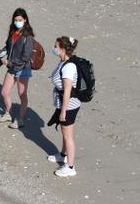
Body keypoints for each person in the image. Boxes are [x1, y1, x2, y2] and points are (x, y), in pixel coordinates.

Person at [0, 8, 34, 129]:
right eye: (15, 20)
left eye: (20, 20)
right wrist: (0, 53)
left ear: (25, 20)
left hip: (22, 69)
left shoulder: (28, 37)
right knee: (4, 92)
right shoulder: (13, 32)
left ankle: (20, 119)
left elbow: (26, 57)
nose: (17, 22)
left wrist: (9, 62)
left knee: (22, 95)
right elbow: (8, 46)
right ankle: (8, 113)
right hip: (12, 67)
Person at [47, 36, 81, 177]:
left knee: (68, 135)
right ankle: (62, 154)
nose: (54, 48)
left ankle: (70, 166)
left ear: (62, 48)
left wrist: (63, 111)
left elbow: (67, 90)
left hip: (69, 105)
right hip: (64, 103)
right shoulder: (64, 62)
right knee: (64, 131)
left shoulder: (68, 67)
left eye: (56, 46)